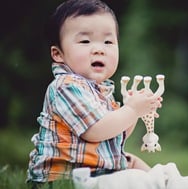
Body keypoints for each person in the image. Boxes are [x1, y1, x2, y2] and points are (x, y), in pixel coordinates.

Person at [26, 0, 162, 187]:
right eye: (85, 41)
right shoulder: (65, 87)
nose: (99, 49)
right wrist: (131, 110)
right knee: (135, 177)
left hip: (96, 171)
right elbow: (95, 131)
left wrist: (135, 112)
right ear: (58, 54)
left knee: (134, 163)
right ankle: (162, 182)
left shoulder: (101, 91)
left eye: (108, 41)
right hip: (66, 177)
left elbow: (113, 133)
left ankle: (167, 181)